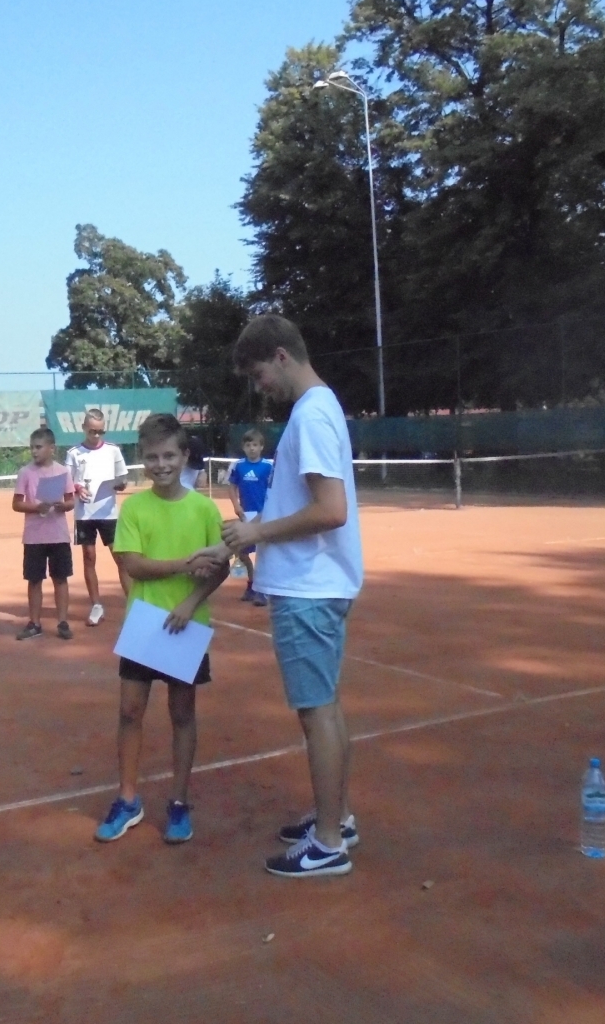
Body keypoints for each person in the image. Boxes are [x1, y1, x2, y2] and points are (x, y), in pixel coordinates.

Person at [217, 315, 364, 878]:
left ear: (281, 356)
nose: (261, 389)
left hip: (310, 587)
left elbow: (331, 510)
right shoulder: (316, 410)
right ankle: (338, 816)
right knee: (324, 703)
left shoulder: (313, 414)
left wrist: (255, 532)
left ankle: (328, 843)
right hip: (313, 583)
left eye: (259, 375)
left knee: (316, 710)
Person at [94, 414, 227, 846]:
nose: (161, 464)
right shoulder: (134, 507)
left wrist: (190, 602)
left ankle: (178, 802)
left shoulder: (205, 509)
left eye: (169, 455)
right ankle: (128, 799)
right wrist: (184, 565)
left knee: (182, 715)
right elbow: (132, 563)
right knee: (130, 712)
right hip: (144, 625)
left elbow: (221, 568)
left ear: (184, 456)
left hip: (187, 628)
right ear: (142, 460)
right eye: (152, 456)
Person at [65, 409, 131, 627]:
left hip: (109, 512)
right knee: (89, 557)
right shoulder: (74, 453)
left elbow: (123, 478)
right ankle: (96, 606)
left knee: (120, 557)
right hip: (84, 514)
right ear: (84, 428)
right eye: (93, 431)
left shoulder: (113, 451)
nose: (97, 435)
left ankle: (133, 605)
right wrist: (76, 488)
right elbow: (67, 481)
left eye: (101, 431)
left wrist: (120, 484)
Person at [12, 427, 75, 640]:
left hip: (58, 535)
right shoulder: (25, 473)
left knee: (60, 578)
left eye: (38, 447)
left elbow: (70, 501)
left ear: (51, 448)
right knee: (35, 579)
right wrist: (36, 508)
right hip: (34, 537)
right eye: (32, 447)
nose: (34, 451)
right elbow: (17, 504)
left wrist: (62, 505)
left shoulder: (63, 472)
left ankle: (63, 622)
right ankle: (35, 623)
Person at [228, 428, 274, 606]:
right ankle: (252, 584)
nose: (252, 448)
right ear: (243, 447)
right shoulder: (238, 466)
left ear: (261, 447)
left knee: (263, 552)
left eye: (255, 445)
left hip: (265, 516)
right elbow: (232, 487)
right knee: (242, 551)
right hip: (246, 515)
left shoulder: (268, 466)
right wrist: (236, 505)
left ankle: (262, 590)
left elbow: (275, 489)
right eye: (248, 445)